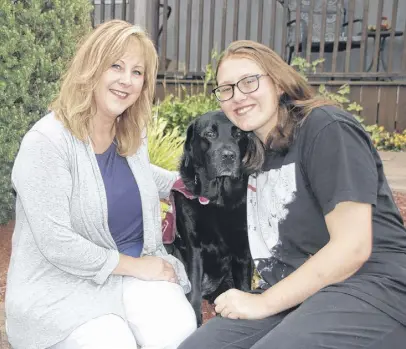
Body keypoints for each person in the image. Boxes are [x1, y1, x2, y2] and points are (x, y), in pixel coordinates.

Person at [178, 40, 406, 349]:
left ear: (279, 83)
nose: (237, 96)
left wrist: (264, 302)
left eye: (249, 81)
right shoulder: (255, 152)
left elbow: (353, 247)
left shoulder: (326, 128)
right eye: (226, 89)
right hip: (297, 293)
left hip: (371, 288)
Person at [5, 20, 197, 349]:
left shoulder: (130, 132)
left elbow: (136, 176)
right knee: (111, 342)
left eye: (138, 72)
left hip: (132, 273)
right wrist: (138, 267)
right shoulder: (47, 142)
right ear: (92, 68)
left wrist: (193, 185)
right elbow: (56, 242)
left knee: (178, 333)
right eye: (116, 66)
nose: (127, 80)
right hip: (61, 286)